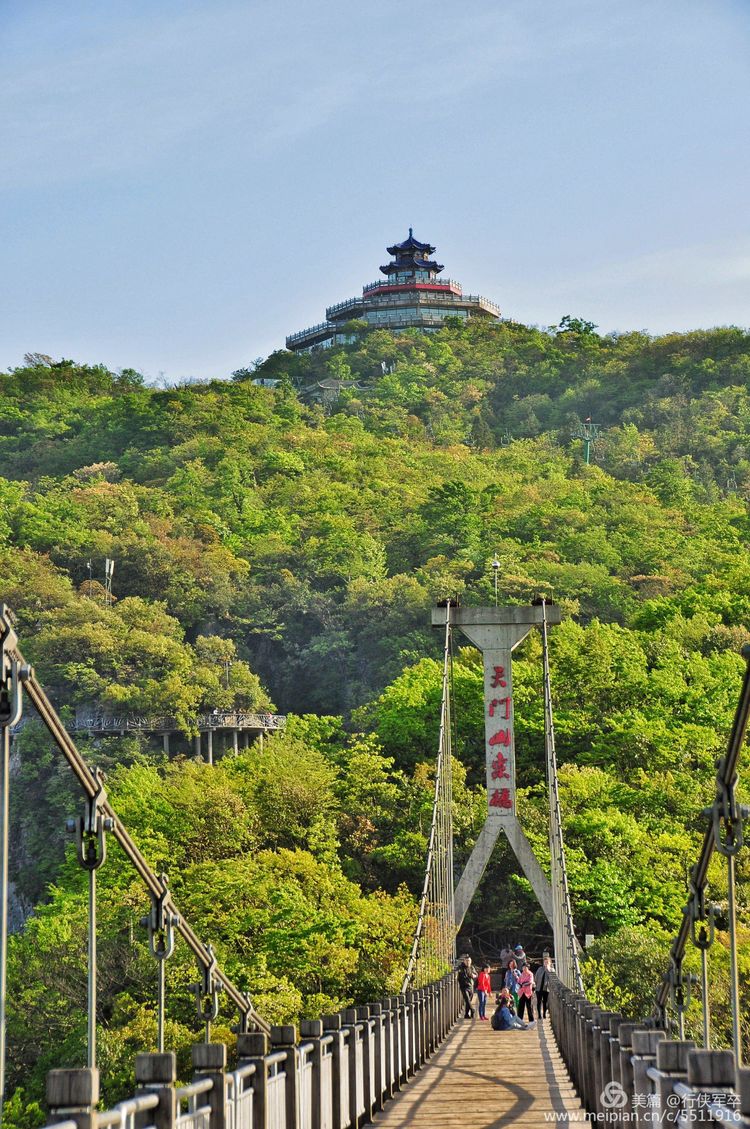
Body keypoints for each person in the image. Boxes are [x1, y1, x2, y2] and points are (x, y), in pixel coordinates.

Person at [535, 955, 553, 1019]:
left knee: (545, 1002)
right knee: (539, 1002)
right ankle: (539, 1014)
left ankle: (544, 1013)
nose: (545, 964)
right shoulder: (540, 969)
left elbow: (551, 978)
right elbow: (536, 977)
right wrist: (536, 985)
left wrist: (548, 969)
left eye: (547, 962)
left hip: (546, 989)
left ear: (550, 963)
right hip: (539, 988)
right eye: (544, 962)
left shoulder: (551, 970)